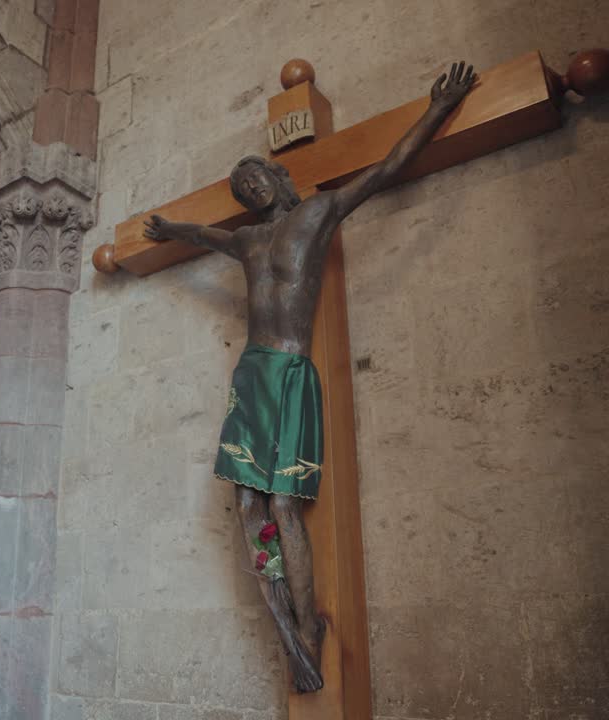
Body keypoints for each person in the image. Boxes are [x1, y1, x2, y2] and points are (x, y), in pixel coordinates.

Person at [144, 62, 477, 692]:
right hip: (252, 373)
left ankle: (308, 630)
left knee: (284, 505)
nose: (250, 188)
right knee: (245, 501)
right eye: (242, 186)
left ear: (279, 178)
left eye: (256, 177)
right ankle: (282, 623)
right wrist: (167, 230)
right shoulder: (247, 241)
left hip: (291, 369)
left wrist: (437, 109)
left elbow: (386, 169)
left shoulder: (318, 213)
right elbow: (201, 235)